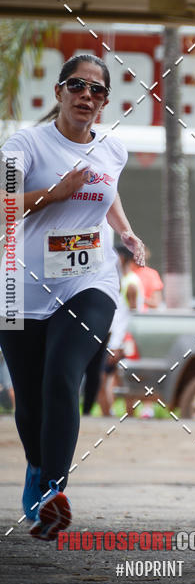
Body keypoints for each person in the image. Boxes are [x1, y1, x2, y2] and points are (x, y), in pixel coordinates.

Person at [0, 54, 144, 539]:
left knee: (63, 375)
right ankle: (38, 468)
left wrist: (125, 231)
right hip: (20, 287)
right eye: (77, 86)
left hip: (89, 281)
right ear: (59, 92)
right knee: (30, 401)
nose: (87, 95)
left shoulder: (113, 149)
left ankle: (52, 493)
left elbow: (107, 191)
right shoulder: (25, 146)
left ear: (104, 102)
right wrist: (53, 194)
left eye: (97, 90)